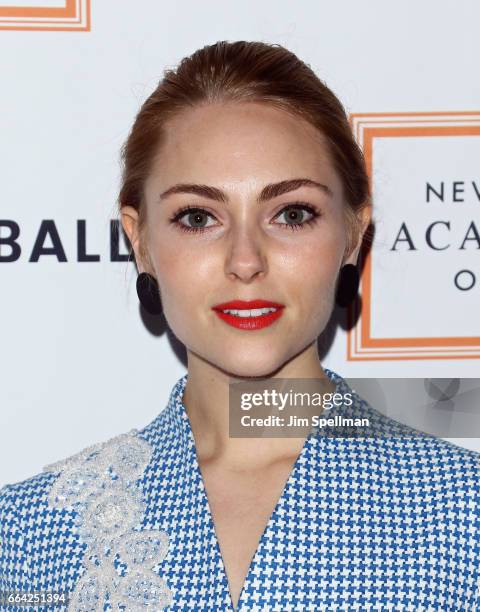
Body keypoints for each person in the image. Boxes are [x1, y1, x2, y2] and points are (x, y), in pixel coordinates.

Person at [1, 40, 479, 612]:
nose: (245, 260)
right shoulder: (31, 532)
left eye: (292, 213)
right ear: (141, 241)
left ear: (353, 235)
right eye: (198, 218)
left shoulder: (463, 516)